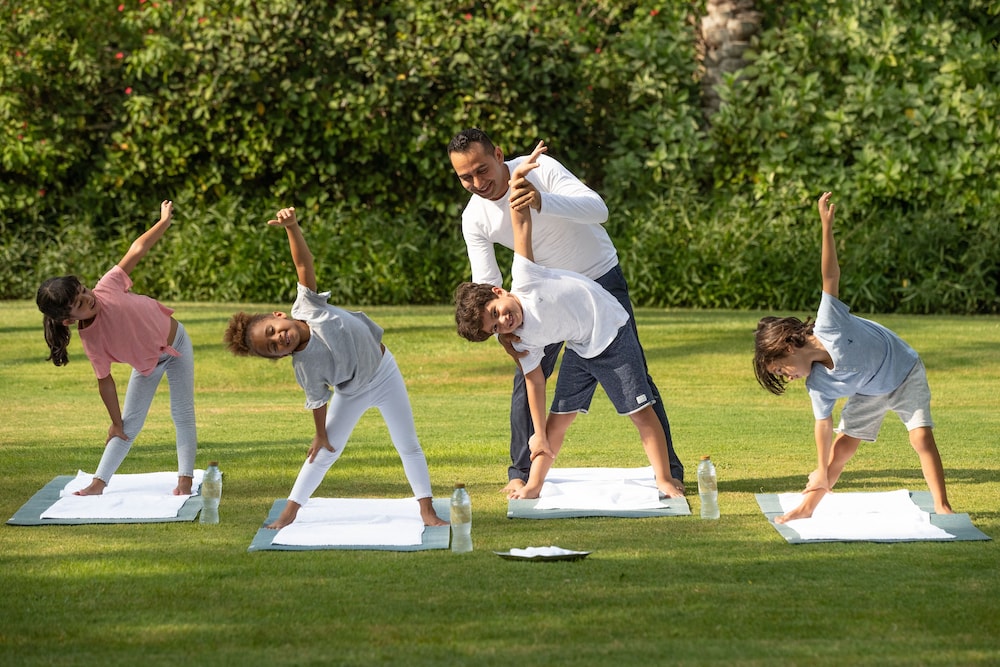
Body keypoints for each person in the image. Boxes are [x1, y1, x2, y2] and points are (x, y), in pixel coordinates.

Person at [448, 127, 683, 494]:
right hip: (540, 300)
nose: (477, 182)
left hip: (598, 287)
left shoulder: (540, 170)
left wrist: (543, 200)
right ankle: (522, 474)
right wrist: (506, 336)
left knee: (636, 375)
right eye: (465, 177)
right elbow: (486, 288)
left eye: (481, 169)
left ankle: (669, 474)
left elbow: (599, 210)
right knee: (527, 378)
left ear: (498, 154)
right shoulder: (473, 219)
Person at [223, 207, 446, 530]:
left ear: (278, 315)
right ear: (277, 357)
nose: (278, 339)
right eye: (272, 347)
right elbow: (317, 400)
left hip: (384, 372)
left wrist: (292, 227)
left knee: (408, 444)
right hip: (351, 392)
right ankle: (289, 513)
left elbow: (303, 263)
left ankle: (427, 511)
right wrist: (320, 433)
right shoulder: (303, 366)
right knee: (324, 452)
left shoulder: (307, 306)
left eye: (272, 330)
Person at [753, 192, 955, 523]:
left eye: (781, 370)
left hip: (903, 371)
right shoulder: (818, 384)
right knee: (841, 450)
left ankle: (943, 505)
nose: (787, 377)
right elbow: (823, 425)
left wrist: (826, 227)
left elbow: (830, 276)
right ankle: (807, 507)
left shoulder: (829, 323)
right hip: (870, 389)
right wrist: (820, 469)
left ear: (789, 347)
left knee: (920, 437)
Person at [36, 200, 197, 496]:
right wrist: (114, 421)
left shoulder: (107, 286)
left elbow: (137, 250)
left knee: (182, 413)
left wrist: (163, 222)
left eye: (84, 291)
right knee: (127, 425)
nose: (89, 299)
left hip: (178, 344)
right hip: (147, 365)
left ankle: (185, 479)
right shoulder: (92, 341)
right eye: (81, 304)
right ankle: (99, 482)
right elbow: (105, 382)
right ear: (69, 321)